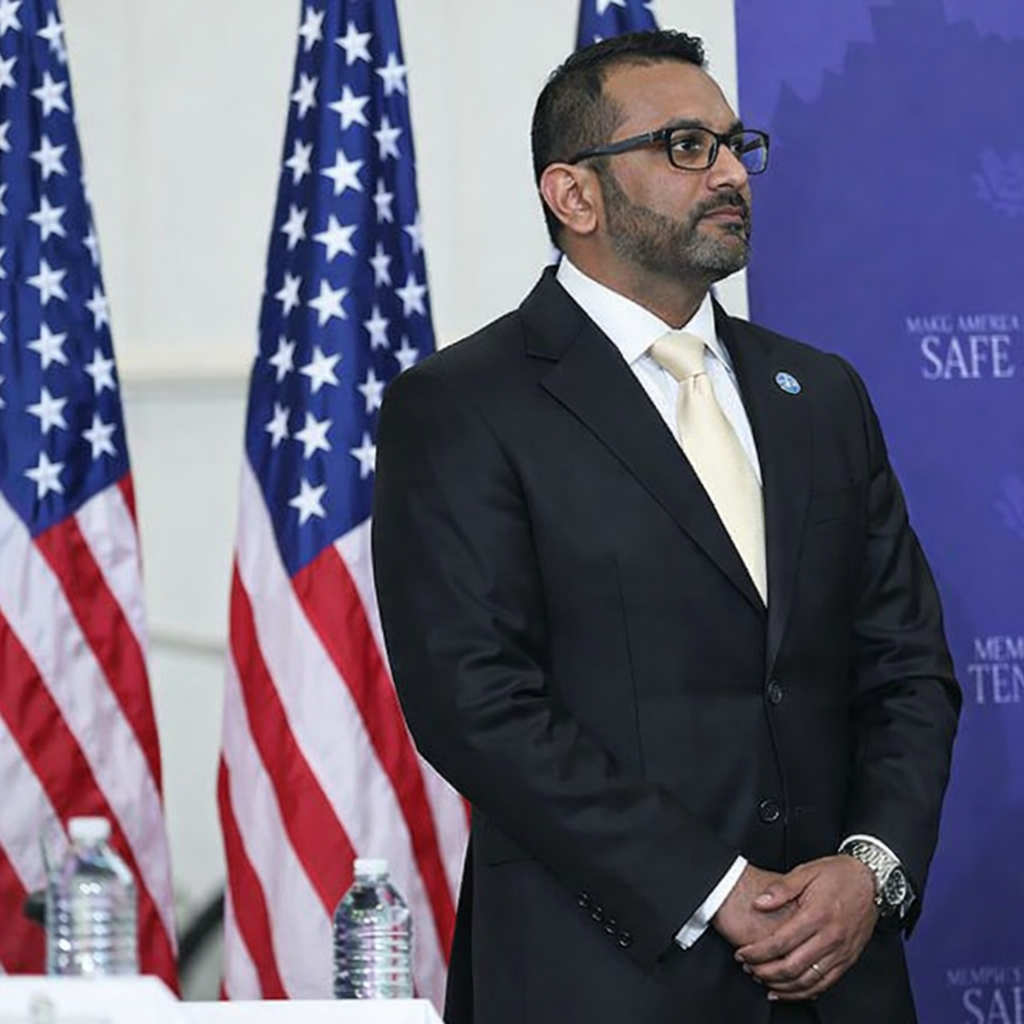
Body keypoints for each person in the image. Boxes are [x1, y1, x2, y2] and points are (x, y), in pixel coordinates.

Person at [371, 29, 960, 1024]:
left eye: (735, 144)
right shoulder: (463, 404)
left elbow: (905, 666)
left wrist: (869, 867)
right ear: (574, 195)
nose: (730, 173)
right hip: (604, 978)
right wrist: (711, 886)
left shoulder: (819, 392)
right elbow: (476, 702)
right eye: (686, 146)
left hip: (839, 977)